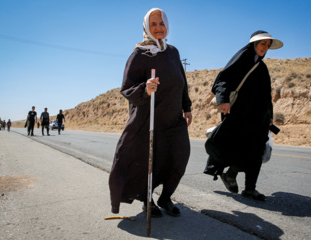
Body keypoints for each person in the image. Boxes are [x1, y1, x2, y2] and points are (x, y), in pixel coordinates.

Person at [109, 8, 192, 217]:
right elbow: (127, 87)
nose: (158, 28)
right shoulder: (140, 53)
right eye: (153, 24)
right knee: (148, 163)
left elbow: (182, 83)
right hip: (149, 120)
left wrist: (187, 107)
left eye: (161, 23)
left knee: (179, 158)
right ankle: (148, 200)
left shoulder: (173, 51)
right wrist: (145, 89)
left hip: (174, 119)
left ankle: (166, 197)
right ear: (146, 27)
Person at [209, 31, 283, 201]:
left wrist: (269, 115)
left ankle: (250, 189)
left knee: (256, 153)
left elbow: (266, 95)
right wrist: (223, 99)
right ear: (254, 45)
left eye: (267, 44)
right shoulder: (241, 60)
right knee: (240, 150)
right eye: (262, 43)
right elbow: (222, 80)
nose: (265, 47)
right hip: (239, 116)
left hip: (258, 119)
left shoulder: (262, 68)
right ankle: (230, 174)